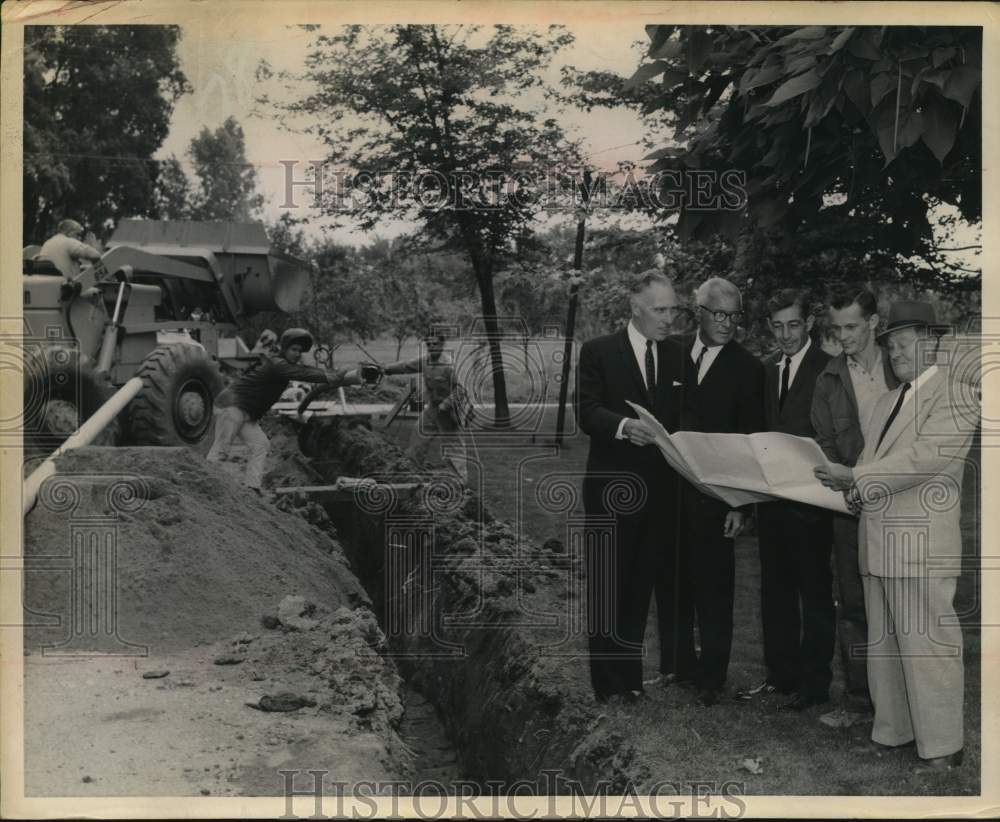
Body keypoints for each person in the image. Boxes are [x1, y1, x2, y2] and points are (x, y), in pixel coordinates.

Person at [815, 300, 975, 773]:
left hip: (922, 542)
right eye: (891, 344)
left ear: (933, 342)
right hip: (879, 538)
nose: (896, 351)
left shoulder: (957, 395)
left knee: (929, 645)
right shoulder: (887, 400)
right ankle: (894, 732)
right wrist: (852, 485)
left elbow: (925, 460)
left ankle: (943, 746)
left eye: (906, 342)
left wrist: (857, 479)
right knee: (885, 645)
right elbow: (872, 464)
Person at [576, 269, 687, 703]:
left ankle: (632, 681)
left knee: (641, 585)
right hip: (611, 491)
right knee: (609, 588)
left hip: (661, 494)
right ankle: (607, 686)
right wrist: (623, 426)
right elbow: (585, 411)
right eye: (660, 310)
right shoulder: (598, 351)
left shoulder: (678, 355)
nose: (668, 318)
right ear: (634, 307)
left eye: (673, 309)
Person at [661, 276, 765, 707]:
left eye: (734, 315)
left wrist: (741, 505)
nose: (727, 323)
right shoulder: (671, 353)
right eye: (718, 314)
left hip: (719, 496)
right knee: (672, 583)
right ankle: (679, 666)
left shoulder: (749, 369)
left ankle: (711, 678)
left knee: (714, 588)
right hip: (669, 492)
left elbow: (752, 443)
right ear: (698, 311)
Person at [737, 289, 834, 711]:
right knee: (774, 592)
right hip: (771, 502)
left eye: (793, 324)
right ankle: (781, 676)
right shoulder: (766, 369)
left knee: (812, 594)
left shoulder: (829, 369)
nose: (786, 334)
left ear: (809, 323)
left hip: (812, 505)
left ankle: (814, 686)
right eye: (777, 326)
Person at [810, 289, 898, 727]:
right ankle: (860, 702)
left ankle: (902, 705)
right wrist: (850, 490)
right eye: (836, 328)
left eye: (851, 327)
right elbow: (825, 445)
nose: (842, 336)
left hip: (901, 502)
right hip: (851, 507)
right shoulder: (828, 379)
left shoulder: (901, 368)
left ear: (874, 324)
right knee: (855, 605)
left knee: (902, 604)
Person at [207, 327, 369, 492]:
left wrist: (333, 375)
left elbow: (305, 370)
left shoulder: (283, 365)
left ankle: (252, 487)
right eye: (294, 349)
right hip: (232, 405)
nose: (297, 353)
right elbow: (302, 373)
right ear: (284, 349)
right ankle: (206, 486)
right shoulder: (278, 364)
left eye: (300, 350)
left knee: (261, 445)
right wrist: (331, 375)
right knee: (221, 449)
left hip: (246, 412)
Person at [382, 330, 473, 482]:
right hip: (433, 407)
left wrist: (446, 405)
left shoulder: (449, 365)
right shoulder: (425, 361)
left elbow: (461, 390)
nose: (431, 346)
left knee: (453, 446)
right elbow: (405, 366)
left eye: (435, 343)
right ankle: (413, 472)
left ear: (442, 344)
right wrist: (386, 369)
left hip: (450, 410)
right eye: (428, 344)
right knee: (418, 435)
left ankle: (459, 481)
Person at [37, 219, 102, 280]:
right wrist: (92, 244)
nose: (79, 238)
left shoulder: (48, 242)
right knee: (97, 290)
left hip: (48, 284)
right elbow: (95, 255)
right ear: (69, 232)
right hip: (64, 288)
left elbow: (57, 265)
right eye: (78, 234)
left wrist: (81, 268)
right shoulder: (68, 241)